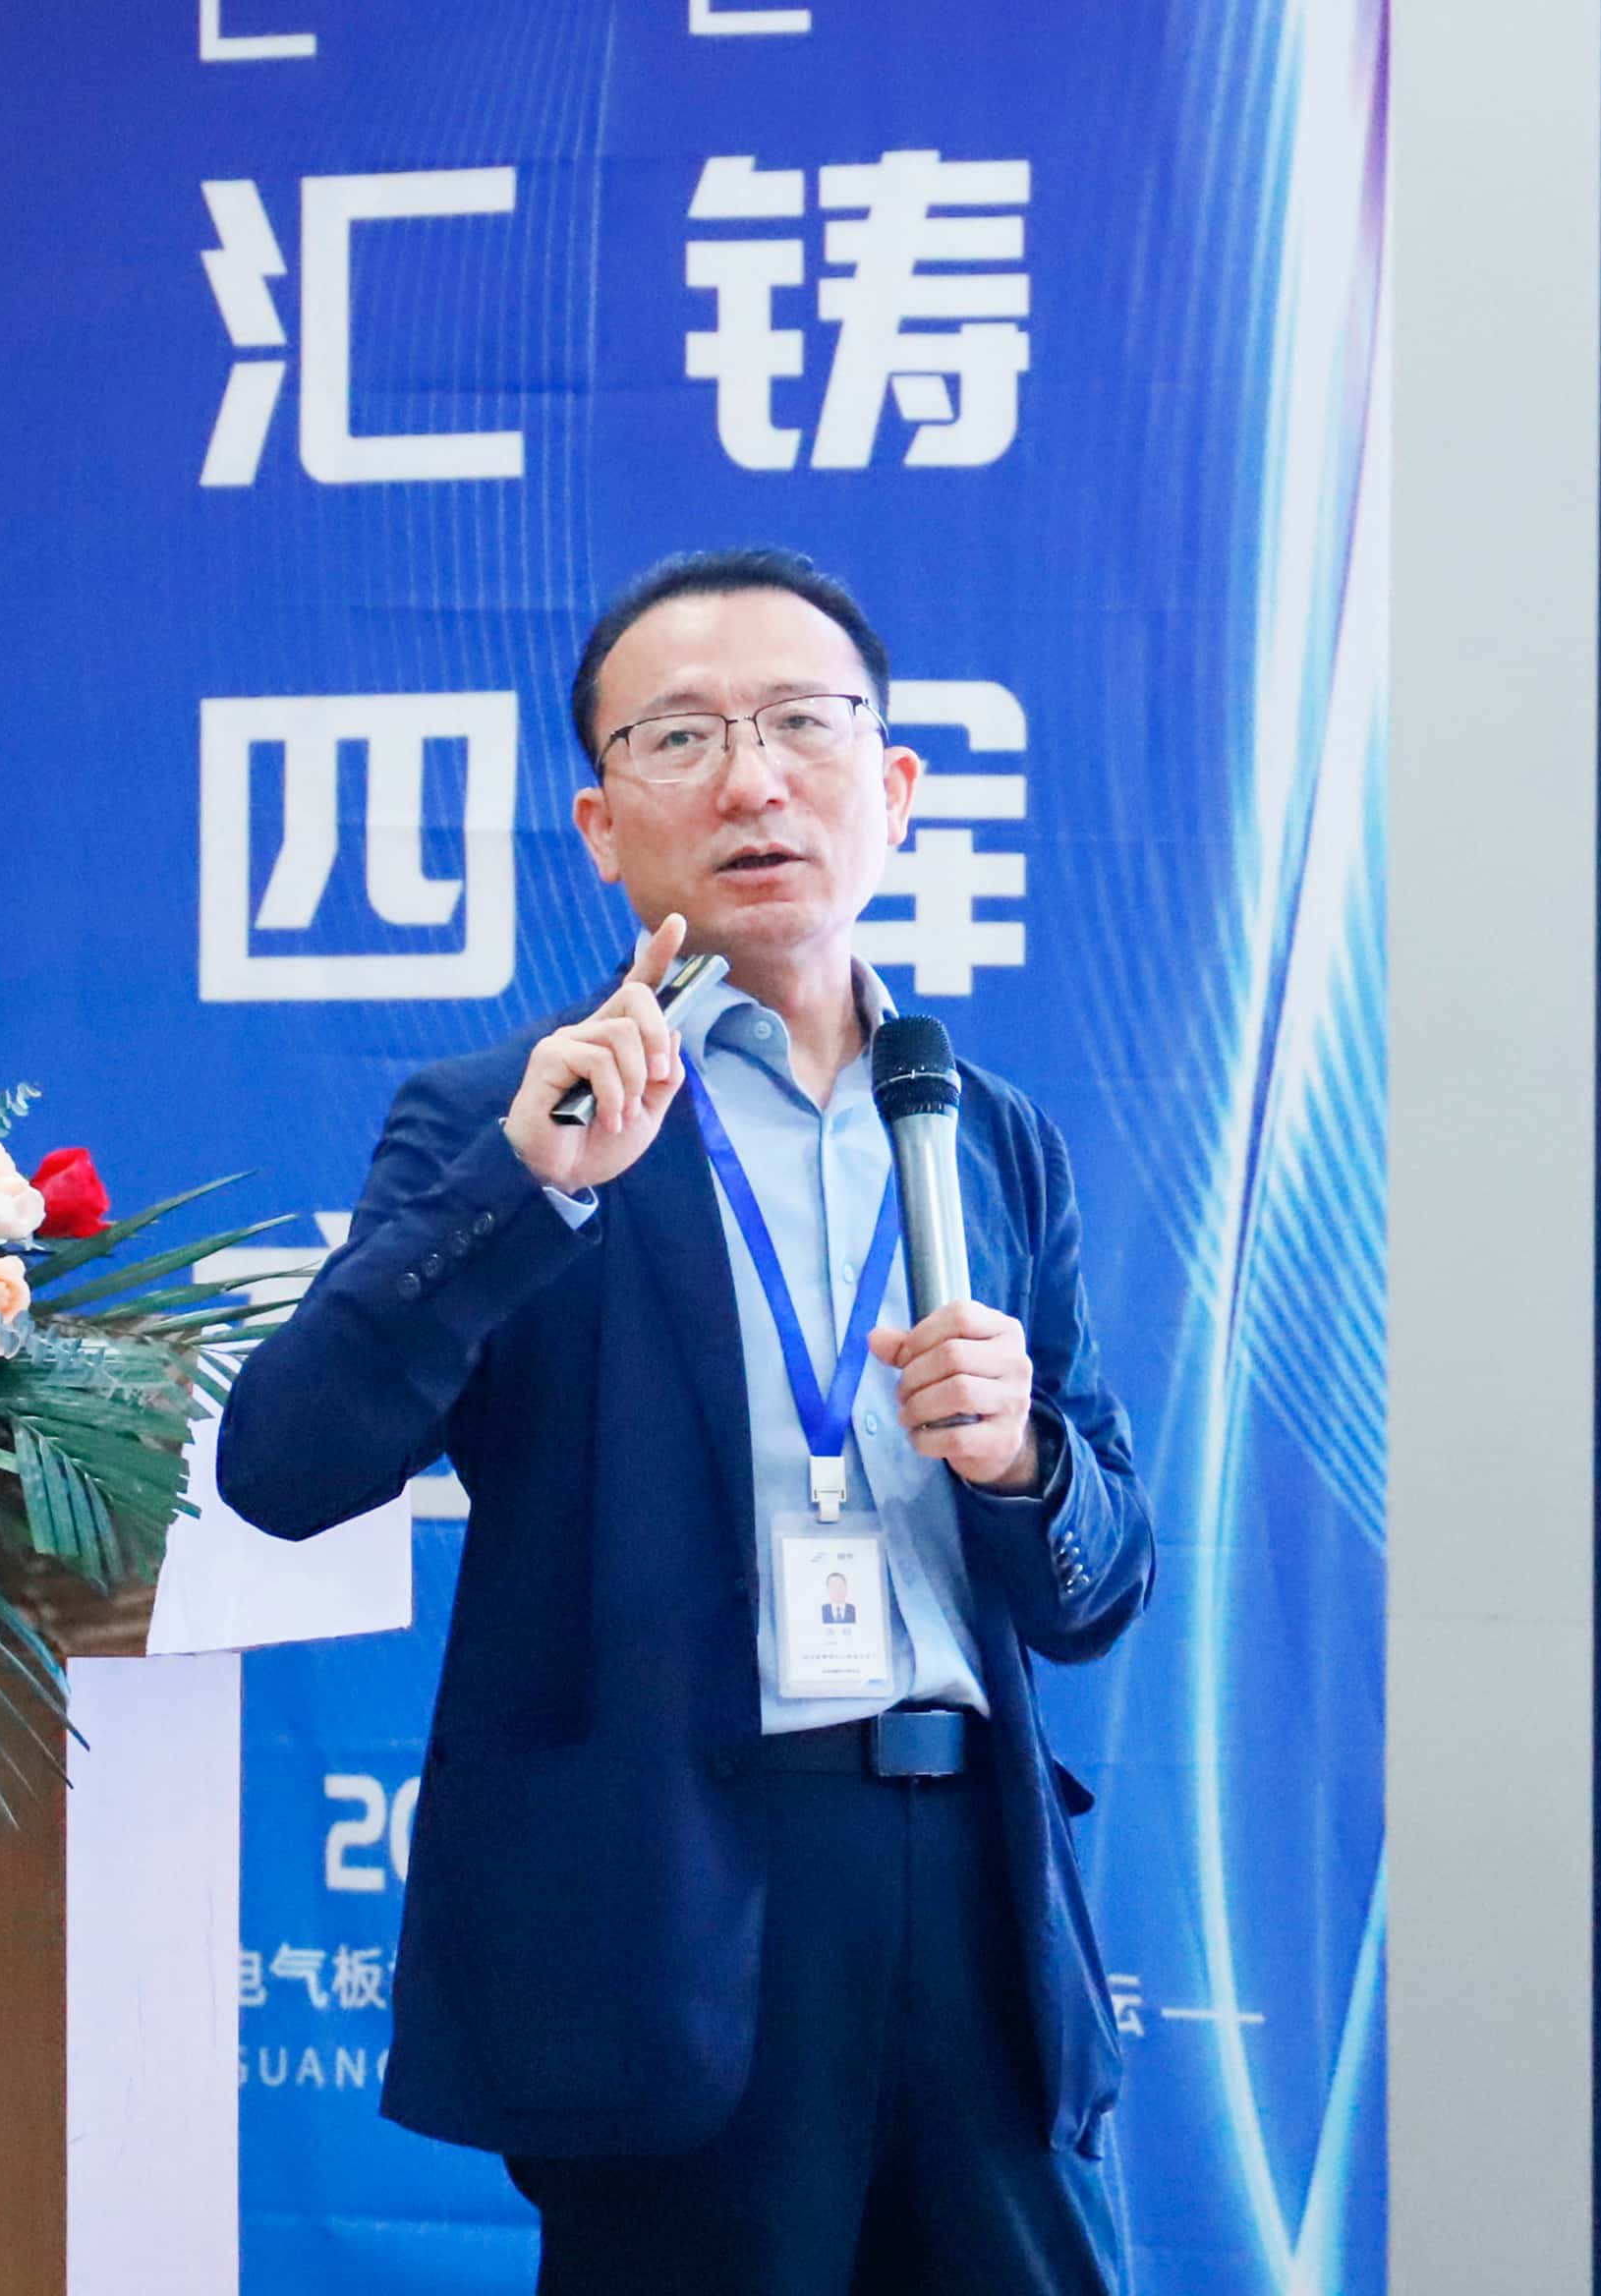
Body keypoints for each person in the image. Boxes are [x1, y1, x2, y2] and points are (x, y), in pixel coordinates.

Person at [218, 545, 1156, 2294]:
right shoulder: (509, 1117)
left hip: (971, 1887)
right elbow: (283, 1465)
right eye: (681, 738)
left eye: (802, 723)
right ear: (600, 824)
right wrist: (524, 1190)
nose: (750, 780)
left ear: (893, 788)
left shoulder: (988, 1130)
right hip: (669, 1911)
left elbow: (1100, 1585)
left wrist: (1024, 1459)